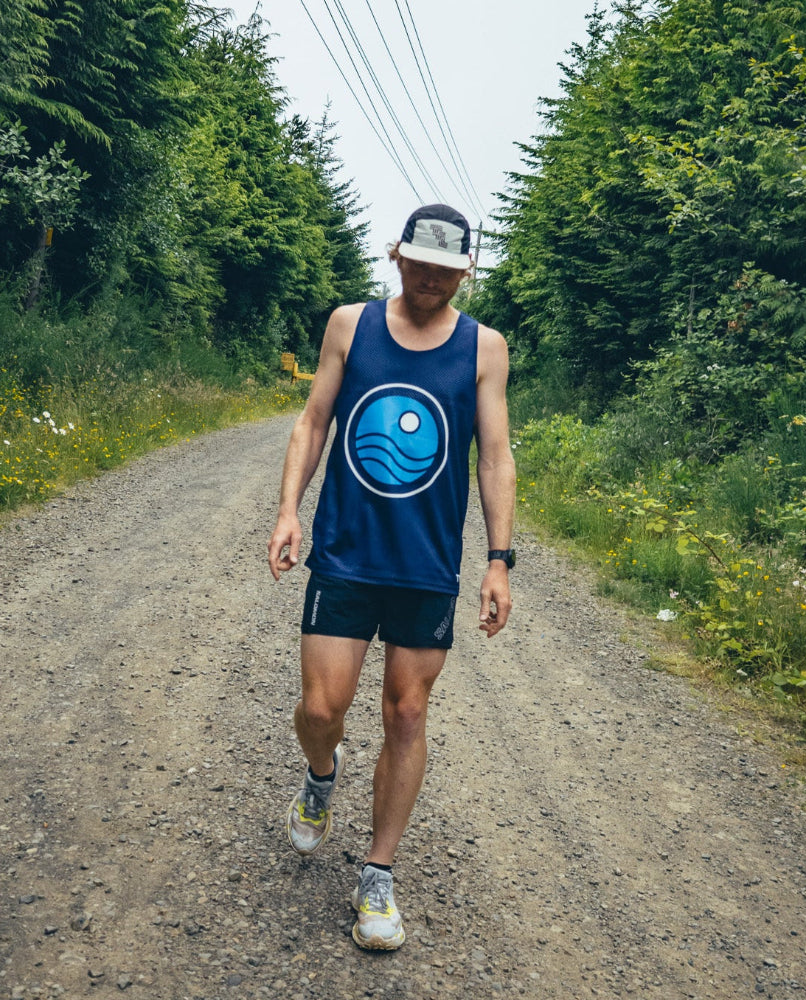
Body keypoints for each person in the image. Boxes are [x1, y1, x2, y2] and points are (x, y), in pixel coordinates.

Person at [267, 203, 516, 951]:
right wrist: (288, 509)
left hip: (426, 566)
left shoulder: (484, 348)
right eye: (420, 266)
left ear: (466, 273)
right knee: (321, 708)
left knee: (407, 714)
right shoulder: (351, 324)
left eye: (448, 271)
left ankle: (378, 876)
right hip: (345, 552)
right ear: (396, 257)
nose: (432, 280)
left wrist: (499, 560)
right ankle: (321, 773)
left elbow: (495, 455)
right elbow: (313, 421)